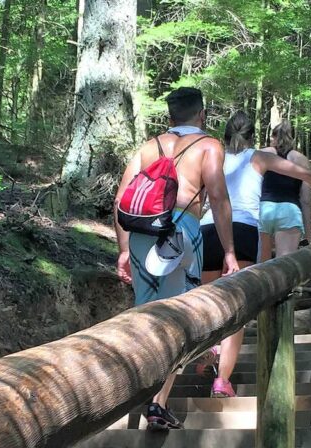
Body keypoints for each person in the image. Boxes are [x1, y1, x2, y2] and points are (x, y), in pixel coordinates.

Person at [196, 111, 311, 398]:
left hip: (208, 229)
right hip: (242, 230)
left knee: (208, 300)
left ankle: (210, 346)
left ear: (226, 135)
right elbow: (304, 174)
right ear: (253, 136)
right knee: (236, 310)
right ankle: (222, 382)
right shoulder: (259, 158)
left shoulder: (212, 156)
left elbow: (201, 197)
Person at [114, 87, 239, 430]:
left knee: (144, 314)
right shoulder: (209, 146)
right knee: (179, 318)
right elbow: (218, 197)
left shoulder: (148, 146)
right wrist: (229, 251)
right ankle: (157, 403)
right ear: (202, 115)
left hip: (141, 234)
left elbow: (121, 199)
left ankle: (131, 393)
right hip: (181, 233)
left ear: (170, 117)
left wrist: (124, 249)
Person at [258, 120, 311, 263]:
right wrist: (308, 235)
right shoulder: (301, 159)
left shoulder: (262, 154)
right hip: (290, 211)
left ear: (273, 137)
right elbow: (306, 199)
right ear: (293, 138)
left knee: (259, 267)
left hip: (263, 210)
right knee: (285, 267)